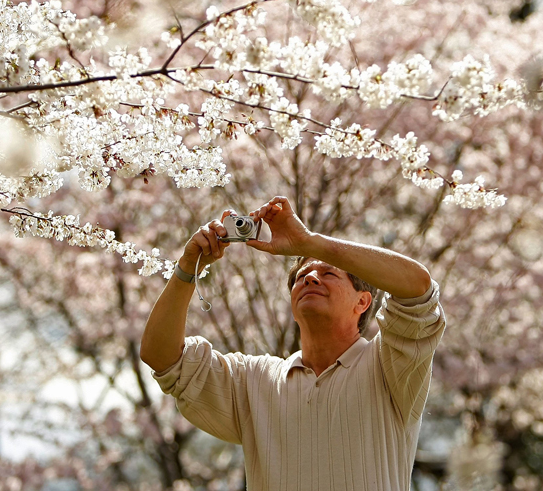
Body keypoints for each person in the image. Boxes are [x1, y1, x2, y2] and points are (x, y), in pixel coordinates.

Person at [140, 196, 446, 491]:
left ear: (363, 302)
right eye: (302, 276)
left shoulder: (390, 366)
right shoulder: (255, 380)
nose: (311, 278)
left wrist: (309, 242)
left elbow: (418, 289)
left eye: (328, 273)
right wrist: (187, 266)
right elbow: (162, 358)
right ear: (292, 305)